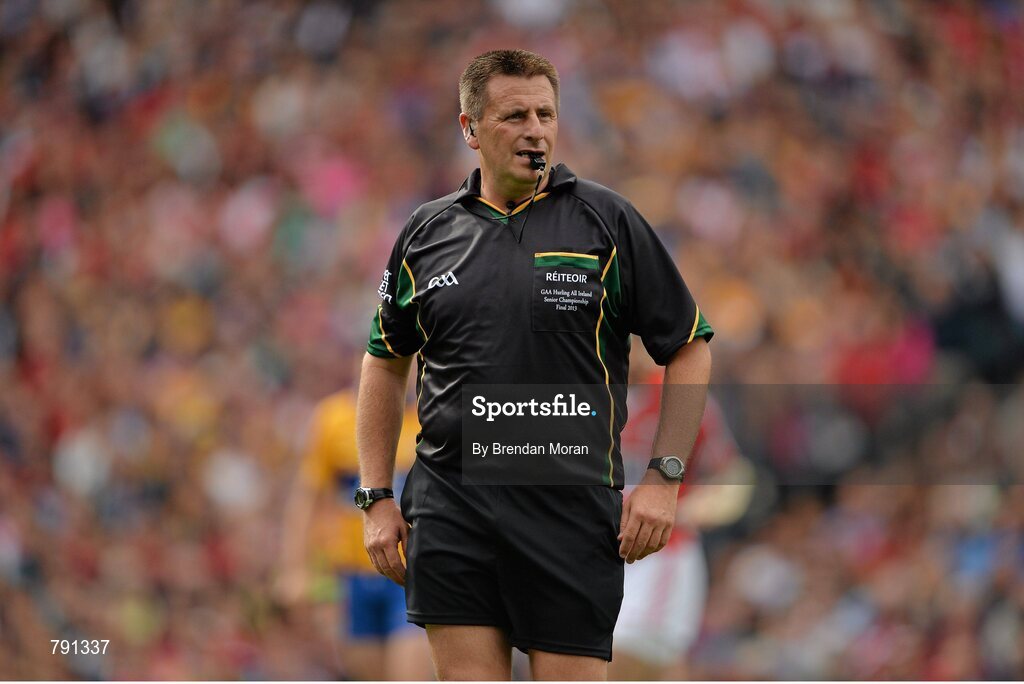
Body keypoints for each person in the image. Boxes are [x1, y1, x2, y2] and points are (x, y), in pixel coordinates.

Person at [355, 49, 713, 681]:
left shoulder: (608, 221)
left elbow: (688, 345)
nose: (536, 130)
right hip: (451, 511)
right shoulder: (424, 233)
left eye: (546, 113)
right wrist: (377, 494)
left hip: (569, 516)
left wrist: (663, 478)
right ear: (468, 128)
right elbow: (384, 362)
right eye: (514, 115)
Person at [275, 390, 433, 680]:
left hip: (412, 575)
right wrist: (295, 569)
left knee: (409, 673)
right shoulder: (334, 418)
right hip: (353, 576)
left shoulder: (430, 415)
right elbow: (307, 499)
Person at [611, 385, 754, 681]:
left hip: (657, 554)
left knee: (620, 659)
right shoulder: (588, 387)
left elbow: (732, 476)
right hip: (600, 552)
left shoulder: (676, 394)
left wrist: (685, 511)